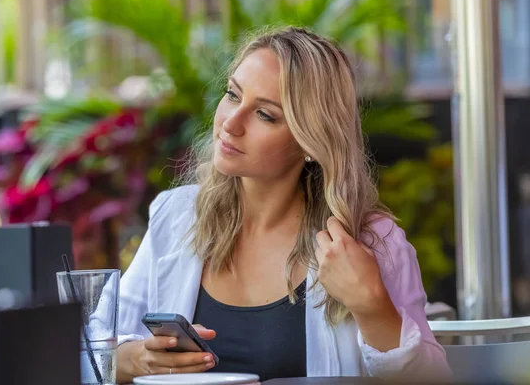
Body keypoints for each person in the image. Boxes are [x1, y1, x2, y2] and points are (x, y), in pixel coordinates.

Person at [115, 26, 452, 383]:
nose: (231, 122)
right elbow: (96, 350)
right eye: (232, 94)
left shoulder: (370, 243)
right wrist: (137, 360)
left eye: (265, 114)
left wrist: (372, 306)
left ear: (311, 140)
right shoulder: (176, 216)